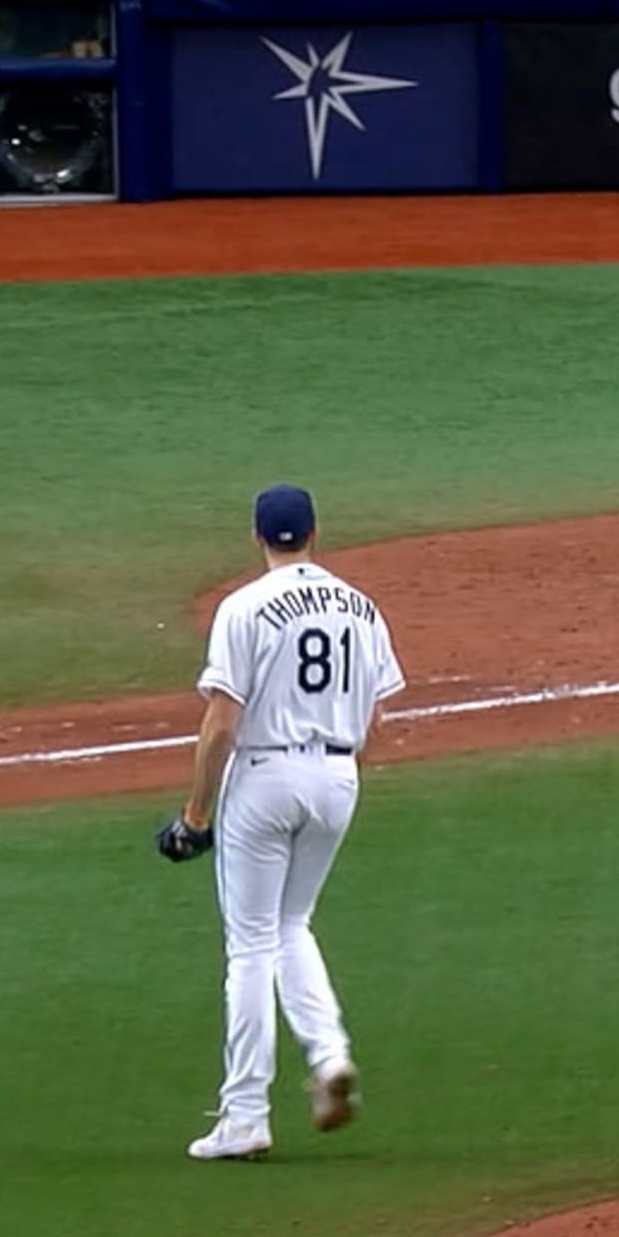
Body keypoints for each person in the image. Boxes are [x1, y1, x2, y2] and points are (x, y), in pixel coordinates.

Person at [155, 484, 404, 1162]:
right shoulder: (362, 607)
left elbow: (221, 723)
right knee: (291, 925)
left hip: (266, 778)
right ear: (315, 533)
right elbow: (377, 717)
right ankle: (329, 1058)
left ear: (259, 538)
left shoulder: (243, 608)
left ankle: (245, 1115)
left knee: (250, 947)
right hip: (338, 778)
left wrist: (195, 815)